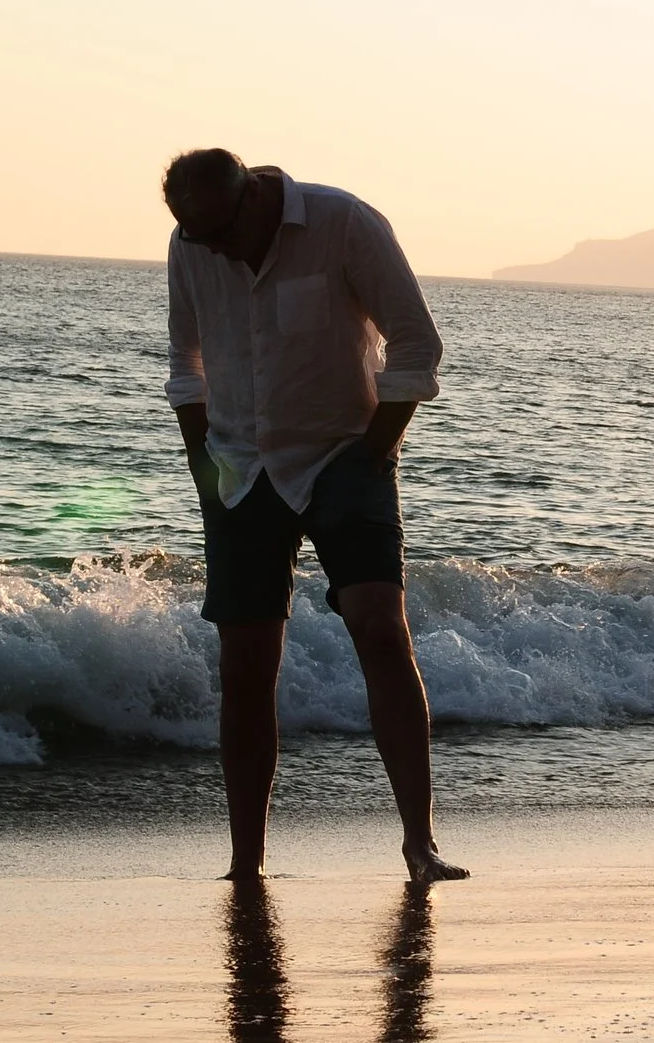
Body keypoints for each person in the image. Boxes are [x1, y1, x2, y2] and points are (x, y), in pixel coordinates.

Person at [161, 147, 468, 884]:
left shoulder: (344, 223)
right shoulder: (192, 241)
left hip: (342, 455)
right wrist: (203, 465)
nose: (212, 251)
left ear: (252, 201)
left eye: (219, 235)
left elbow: (417, 343)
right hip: (239, 467)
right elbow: (185, 364)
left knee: (378, 627)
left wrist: (377, 450)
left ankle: (419, 845)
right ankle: (246, 862)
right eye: (195, 238)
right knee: (245, 665)